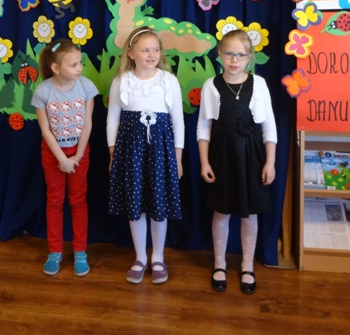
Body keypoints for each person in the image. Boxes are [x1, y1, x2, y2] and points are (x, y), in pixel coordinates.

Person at [196, 29, 276, 294]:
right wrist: (205, 162)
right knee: (221, 212)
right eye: (229, 53)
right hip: (222, 155)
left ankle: (247, 265)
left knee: (249, 213)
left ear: (249, 57)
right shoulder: (211, 85)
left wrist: (270, 162)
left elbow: (269, 127)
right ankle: (219, 264)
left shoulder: (259, 84)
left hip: (252, 157)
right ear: (219, 54)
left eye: (240, 55)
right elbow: (204, 127)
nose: (234, 60)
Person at [107, 27, 183, 285]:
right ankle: (140, 256)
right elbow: (112, 119)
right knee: (136, 205)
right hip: (130, 152)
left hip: (161, 151)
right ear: (131, 53)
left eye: (155, 50)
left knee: (159, 205)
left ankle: (158, 257)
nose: (152, 54)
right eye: (145, 50)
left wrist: (178, 158)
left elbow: (178, 121)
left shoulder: (168, 81)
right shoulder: (122, 81)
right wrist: (113, 154)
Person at [32, 38, 98, 277]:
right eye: (73, 64)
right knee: (54, 201)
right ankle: (55, 251)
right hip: (54, 155)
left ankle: (80, 251)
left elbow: (88, 123)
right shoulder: (43, 91)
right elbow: (45, 130)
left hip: (79, 153)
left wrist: (77, 155)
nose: (80, 68)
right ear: (56, 68)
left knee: (78, 201)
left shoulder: (86, 87)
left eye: (80, 63)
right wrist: (62, 158)